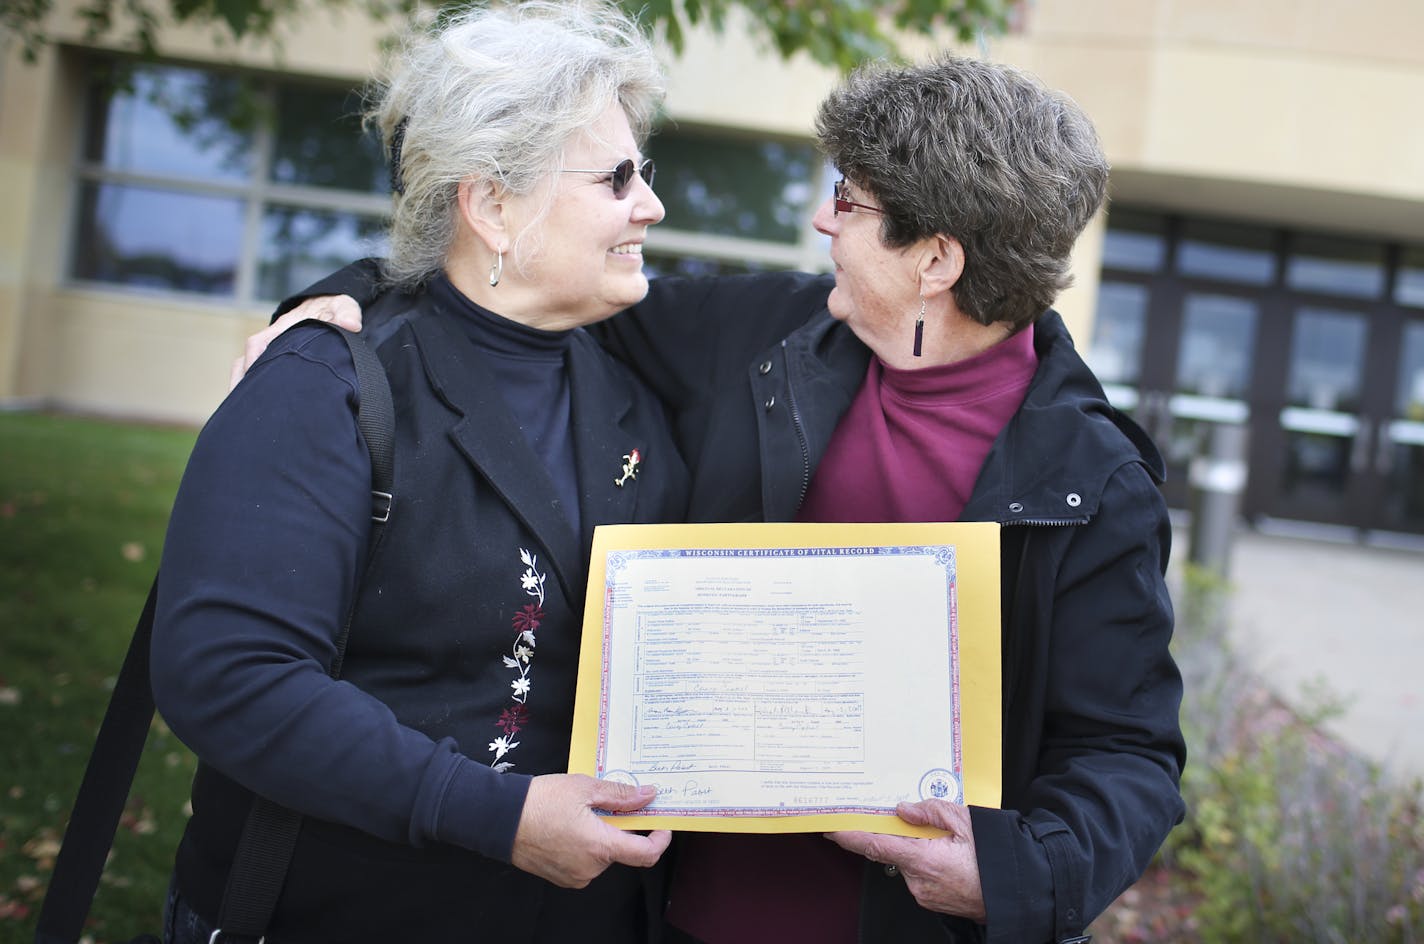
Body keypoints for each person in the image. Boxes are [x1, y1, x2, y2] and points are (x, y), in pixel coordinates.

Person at [251, 54, 1186, 944]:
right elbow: (528, 286)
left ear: (935, 260)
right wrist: (343, 302)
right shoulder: (762, 334)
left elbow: (1126, 754)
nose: (826, 224)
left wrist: (1015, 875)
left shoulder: (1093, 483)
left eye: (849, 204)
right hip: (670, 914)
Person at [149, 4, 690, 942]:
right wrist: (495, 816)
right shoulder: (326, 382)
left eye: (644, 172)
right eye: (616, 177)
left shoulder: (637, 396)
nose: (651, 205)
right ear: (491, 204)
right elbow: (228, 675)